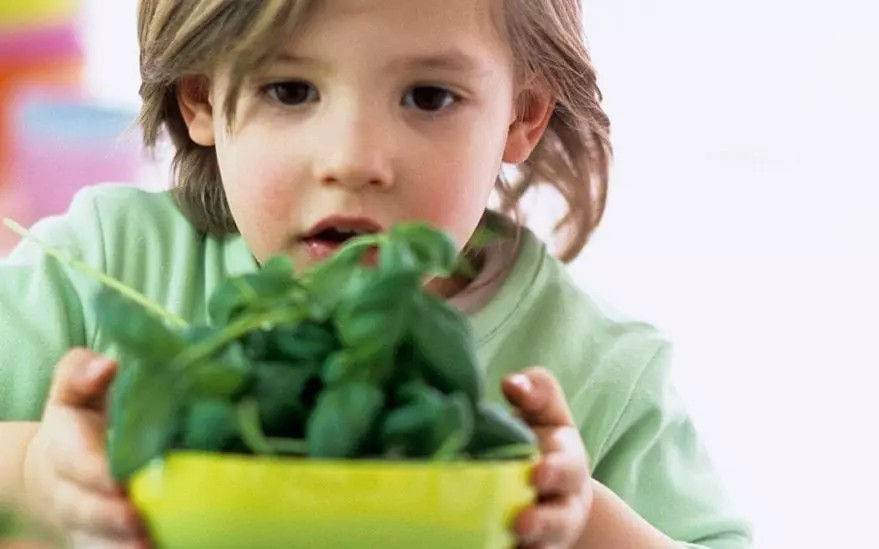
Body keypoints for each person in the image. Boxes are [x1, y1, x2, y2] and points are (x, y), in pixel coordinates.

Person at [0, 0, 753, 547]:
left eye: (428, 97)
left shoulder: (600, 370)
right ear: (200, 95)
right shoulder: (99, 267)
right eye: (289, 90)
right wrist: (35, 471)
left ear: (521, 114)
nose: (354, 158)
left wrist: (584, 519)